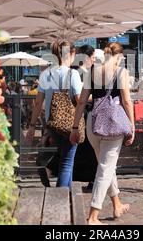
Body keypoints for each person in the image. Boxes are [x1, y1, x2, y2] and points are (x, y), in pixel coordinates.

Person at [70, 42, 135, 225]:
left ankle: (117, 205)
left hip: (93, 122)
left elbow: (82, 102)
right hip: (113, 123)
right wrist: (132, 126)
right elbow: (127, 101)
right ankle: (93, 215)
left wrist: (75, 127)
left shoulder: (92, 72)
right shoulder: (120, 72)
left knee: (106, 165)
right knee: (105, 168)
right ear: (120, 56)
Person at [26, 41, 82, 187]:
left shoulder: (46, 74)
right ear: (70, 54)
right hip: (71, 124)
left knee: (65, 159)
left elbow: (38, 103)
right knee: (67, 163)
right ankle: (60, 199)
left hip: (52, 124)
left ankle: (67, 196)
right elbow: (79, 100)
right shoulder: (73, 74)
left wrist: (32, 126)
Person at [72, 45, 98, 190]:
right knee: (89, 150)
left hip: (82, 114)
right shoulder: (80, 74)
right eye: (93, 58)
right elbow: (80, 98)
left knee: (85, 150)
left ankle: (92, 180)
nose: (94, 61)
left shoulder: (81, 73)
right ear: (86, 58)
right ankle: (93, 180)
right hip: (83, 114)